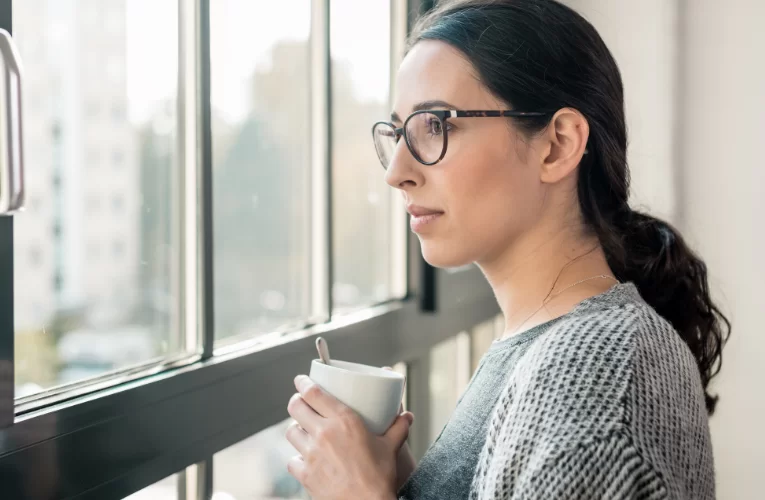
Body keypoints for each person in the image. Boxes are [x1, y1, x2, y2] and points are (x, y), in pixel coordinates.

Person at [284, 0, 731, 498]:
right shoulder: (541, 344)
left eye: (436, 125)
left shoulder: (589, 379)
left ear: (557, 145)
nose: (396, 172)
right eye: (398, 133)